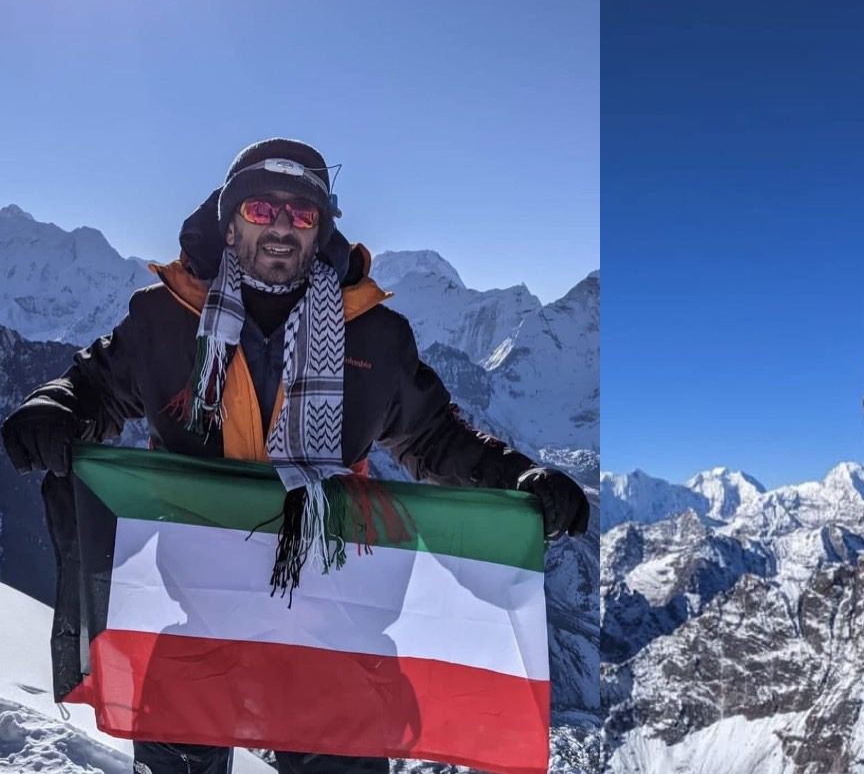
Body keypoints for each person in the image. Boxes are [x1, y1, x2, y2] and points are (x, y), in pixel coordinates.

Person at [1, 138, 589, 774]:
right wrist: (54, 405)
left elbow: (434, 438)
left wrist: (520, 477)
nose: (281, 227)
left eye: (302, 215)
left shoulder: (375, 336)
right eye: (261, 209)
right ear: (228, 224)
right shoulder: (163, 320)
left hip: (332, 619)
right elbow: (94, 388)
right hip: (199, 608)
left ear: (322, 230)